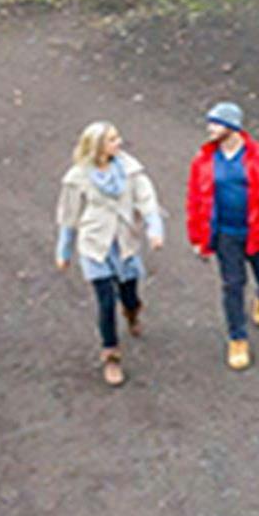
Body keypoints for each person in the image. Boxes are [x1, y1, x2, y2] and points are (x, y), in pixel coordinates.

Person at [186, 102, 259, 372]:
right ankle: (237, 338)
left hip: (258, 233)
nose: (210, 128)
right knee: (232, 285)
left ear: (232, 127)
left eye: (216, 123)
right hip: (226, 236)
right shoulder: (204, 160)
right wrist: (198, 238)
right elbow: (196, 200)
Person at [55, 122, 165, 387]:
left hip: (124, 243)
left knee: (128, 292)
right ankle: (111, 355)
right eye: (112, 139)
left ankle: (132, 310)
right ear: (97, 146)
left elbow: (146, 200)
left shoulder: (130, 170)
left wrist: (154, 229)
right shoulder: (78, 177)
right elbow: (69, 216)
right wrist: (64, 249)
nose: (119, 142)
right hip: (95, 245)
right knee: (105, 301)